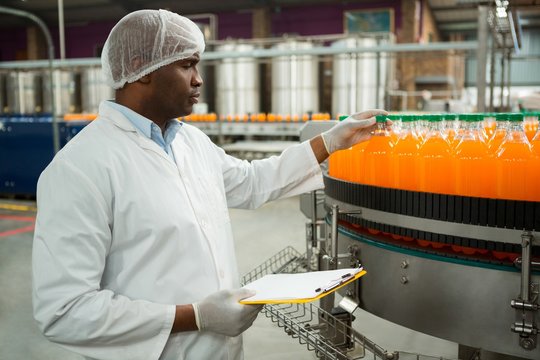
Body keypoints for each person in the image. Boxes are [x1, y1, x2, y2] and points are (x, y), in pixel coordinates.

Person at [31, 9, 387, 360]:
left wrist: (330, 142)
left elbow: (251, 182)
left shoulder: (190, 142)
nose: (198, 79)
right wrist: (195, 317)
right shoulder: (81, 168)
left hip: (221, 350)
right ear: (141, 69)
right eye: (186, 65)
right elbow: (64, 311)